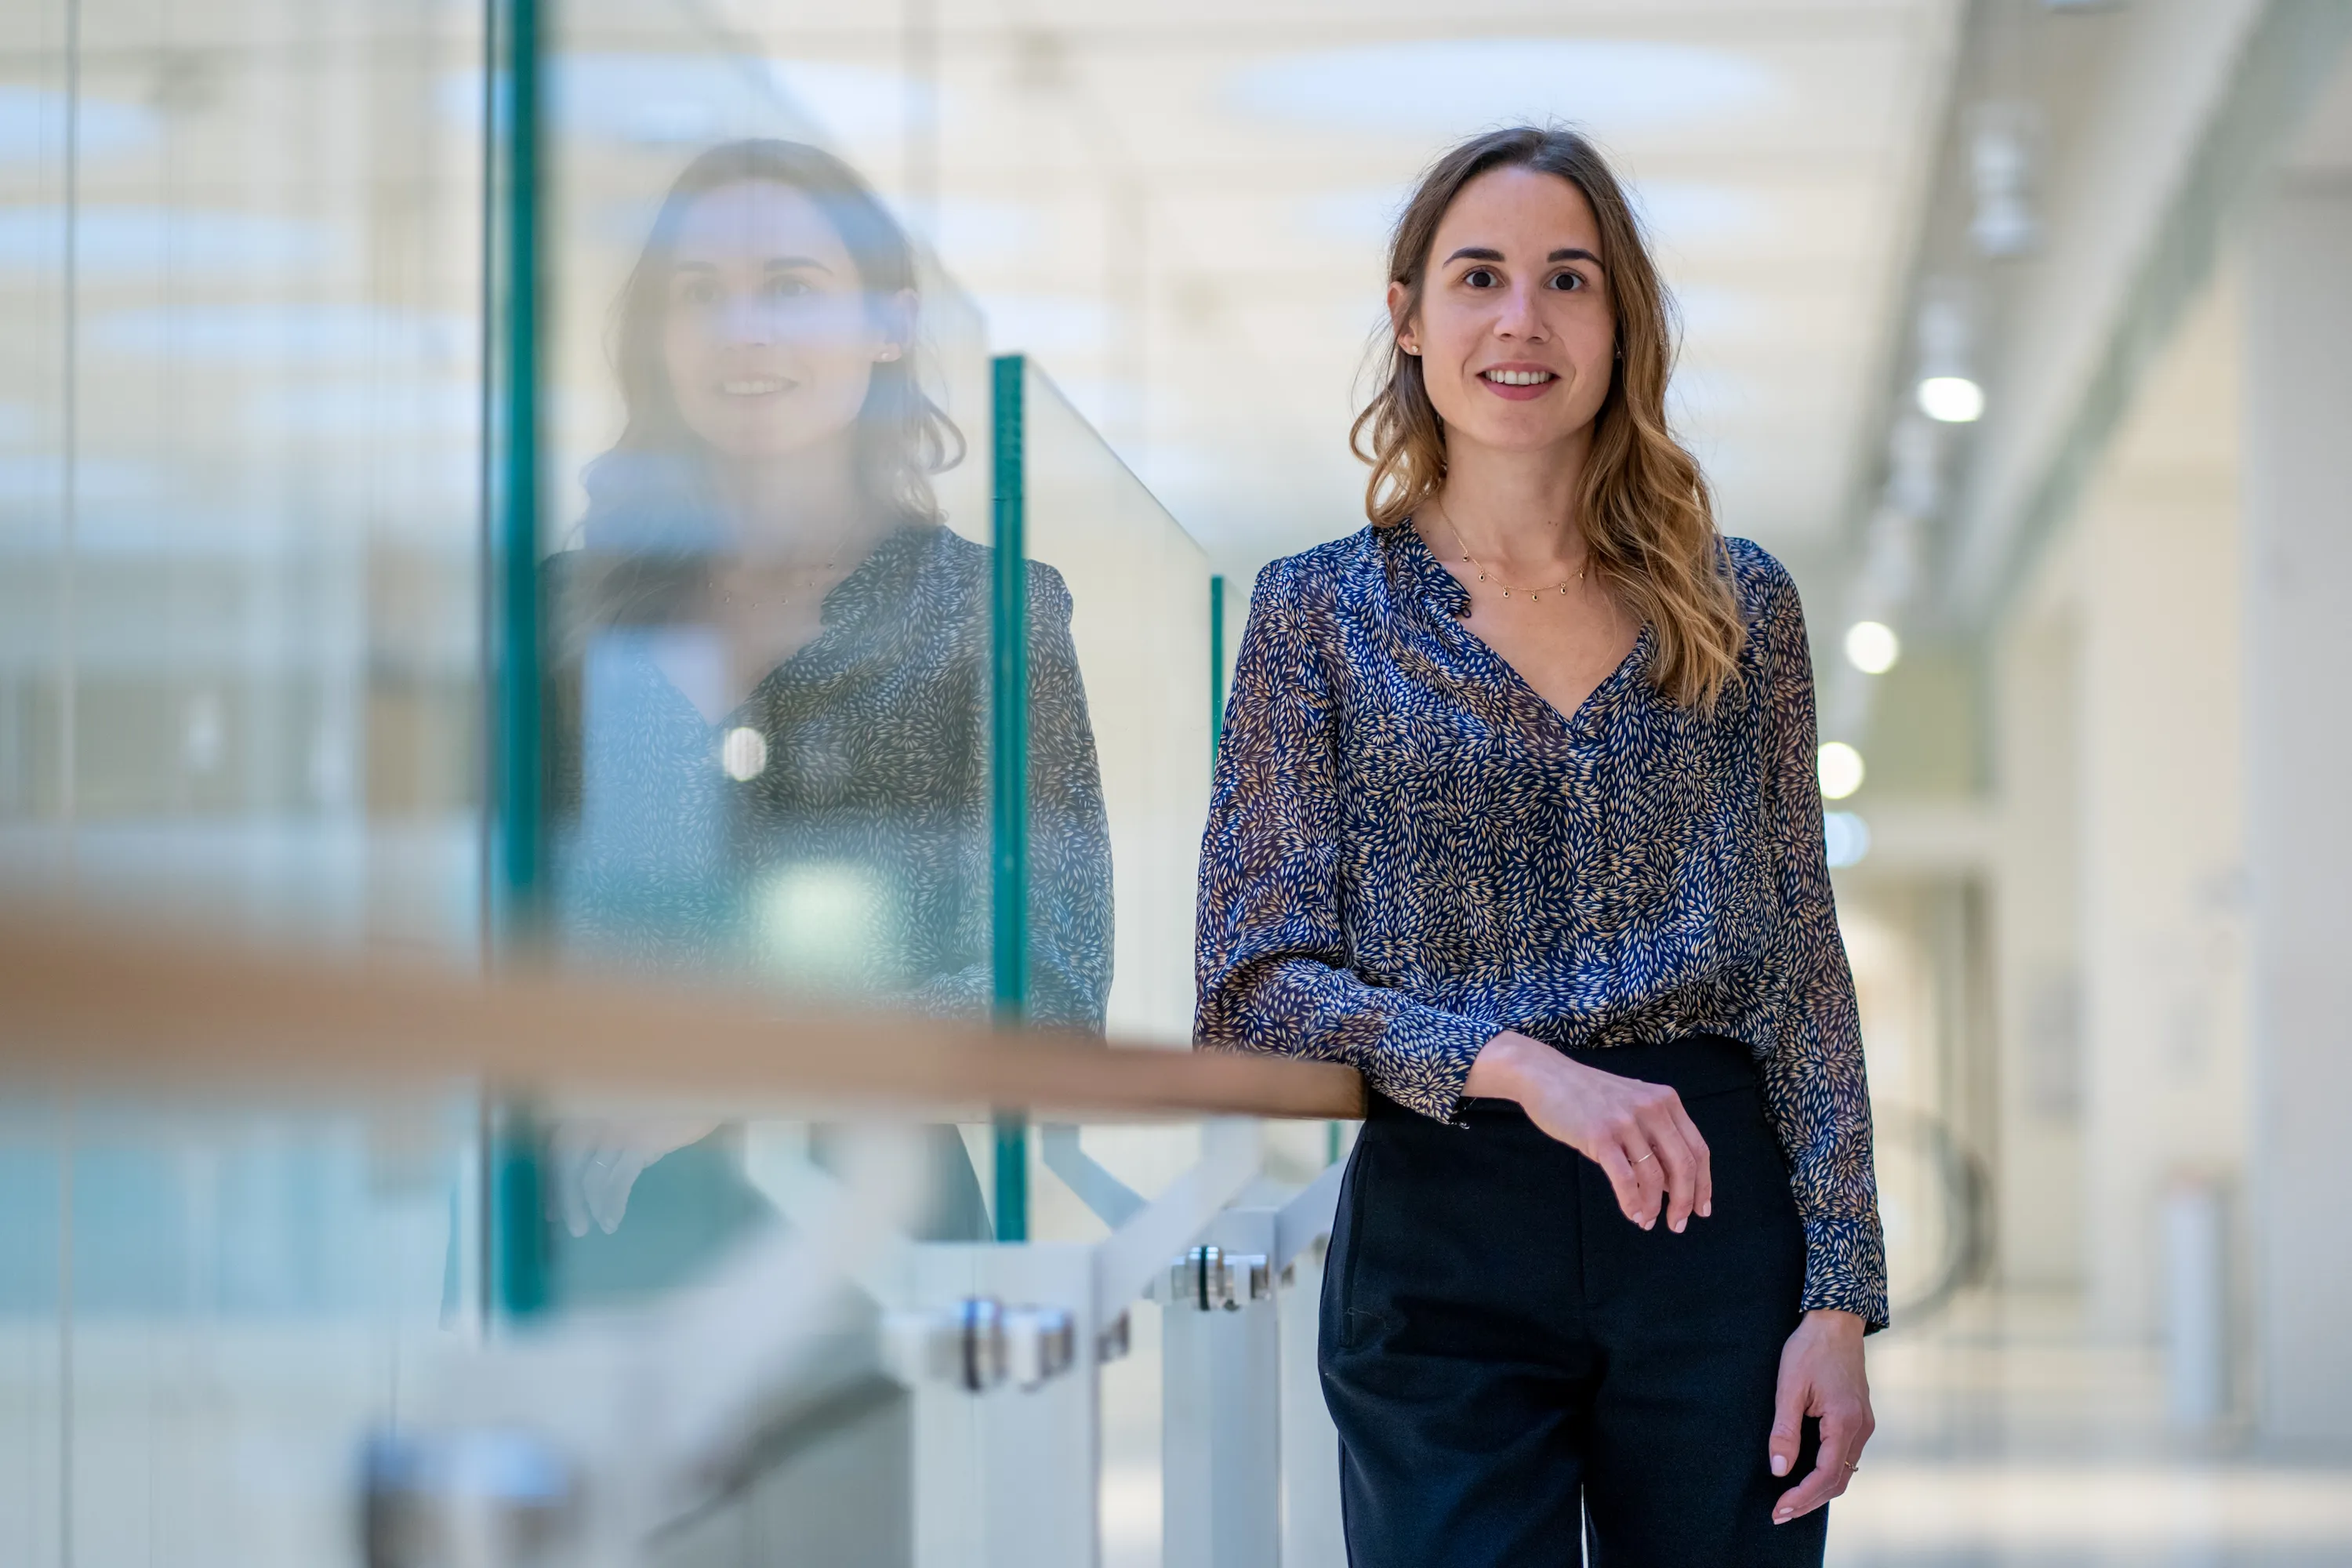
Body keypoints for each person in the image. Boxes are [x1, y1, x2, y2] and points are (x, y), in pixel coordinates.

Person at [1196, 125, 1885, 1566]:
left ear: (1621, 323)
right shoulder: (1315, 616)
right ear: (1409, 315)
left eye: (1569, 279)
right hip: (1445, 1220)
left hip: (1712, 1223)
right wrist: (1519, 1069)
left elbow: (1803, 972)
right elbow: (1249, 983)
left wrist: (1840, 1298)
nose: (1523, 319)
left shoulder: (1740, 607)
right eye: (1479, 277)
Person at [541, 138, 1113, 1276]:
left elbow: (1050, 994)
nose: (743, 331)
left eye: (790, 290)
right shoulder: (566, 616)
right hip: (602, 1234)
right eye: (699, 294)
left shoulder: (993, 616)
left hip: (876, 1257)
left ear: (888, 323)